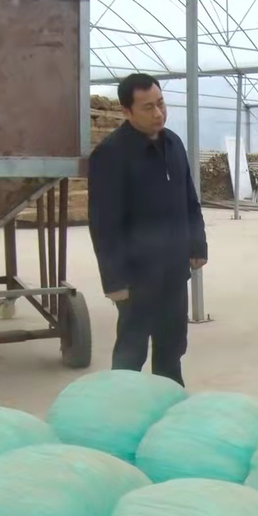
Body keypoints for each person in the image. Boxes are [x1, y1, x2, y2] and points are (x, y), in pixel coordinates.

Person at [88, 73, 206, 387]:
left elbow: (189, 199)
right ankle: (123, 404)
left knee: (172, 346)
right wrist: (114, 280)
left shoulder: (174, 144)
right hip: (136, 275)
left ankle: (169, 399)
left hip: (173, 269)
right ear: (127, 111)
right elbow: (103, 222)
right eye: (147, 107)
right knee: (131, 350)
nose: (158, 113)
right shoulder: (111, 154)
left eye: (161, 103)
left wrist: (197, 244)